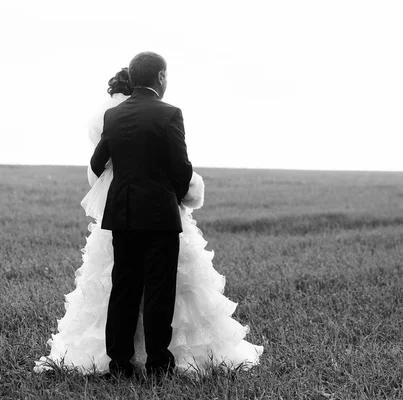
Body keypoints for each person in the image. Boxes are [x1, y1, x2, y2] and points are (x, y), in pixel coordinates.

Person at [34, 54, 263, 378]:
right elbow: (180, 169)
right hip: (159, 215)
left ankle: (119, 363)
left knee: (123, 289)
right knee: (159, 290)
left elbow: (98, 165)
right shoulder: (169, 114)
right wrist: (181, 193)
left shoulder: (114, 115)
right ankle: (158, 363)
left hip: (123, 214)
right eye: (166, 75)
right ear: (159, 76)